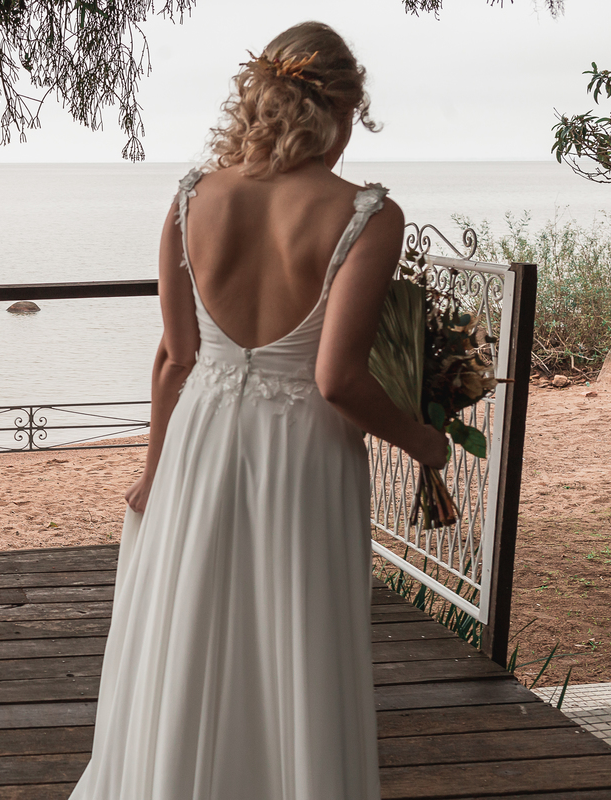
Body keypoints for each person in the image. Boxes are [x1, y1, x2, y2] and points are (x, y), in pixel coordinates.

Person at [69, 22, 449, 800]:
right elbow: (338, 379)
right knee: (292, 634)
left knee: (191, 632)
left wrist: (153, 476)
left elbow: (176, 356)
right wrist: (423, 442)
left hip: (201, 440)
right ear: (340, 110)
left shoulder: (189, 198)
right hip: (301, 451)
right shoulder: (368, 216)